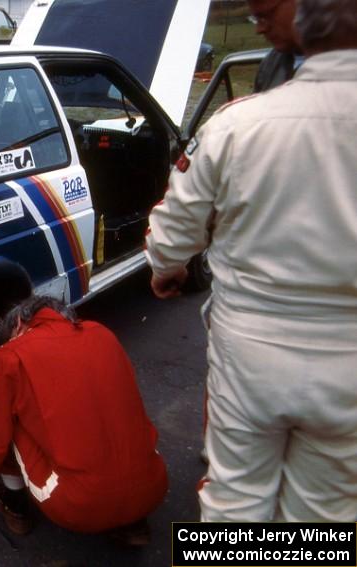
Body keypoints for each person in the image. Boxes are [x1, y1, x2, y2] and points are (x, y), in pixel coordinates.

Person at [145, 0, 357, 522]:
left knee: (235, 498)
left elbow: (174, 230)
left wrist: (166, 269)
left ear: (306, 26)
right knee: (326, 512)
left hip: (251, 350)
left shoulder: (236, 125)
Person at [0, 296, 167, 543]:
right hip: (154, 488)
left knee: (5, 422)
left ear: (19, 324)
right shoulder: (102, 333)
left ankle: (16, 506)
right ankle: (133, 523)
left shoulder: (8, 358)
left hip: (78, 505)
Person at [248, 0, 304, 92]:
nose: (259, 29)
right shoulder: (269, 65)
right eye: (255, 19)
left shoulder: (334, 67)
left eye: (265, 15)